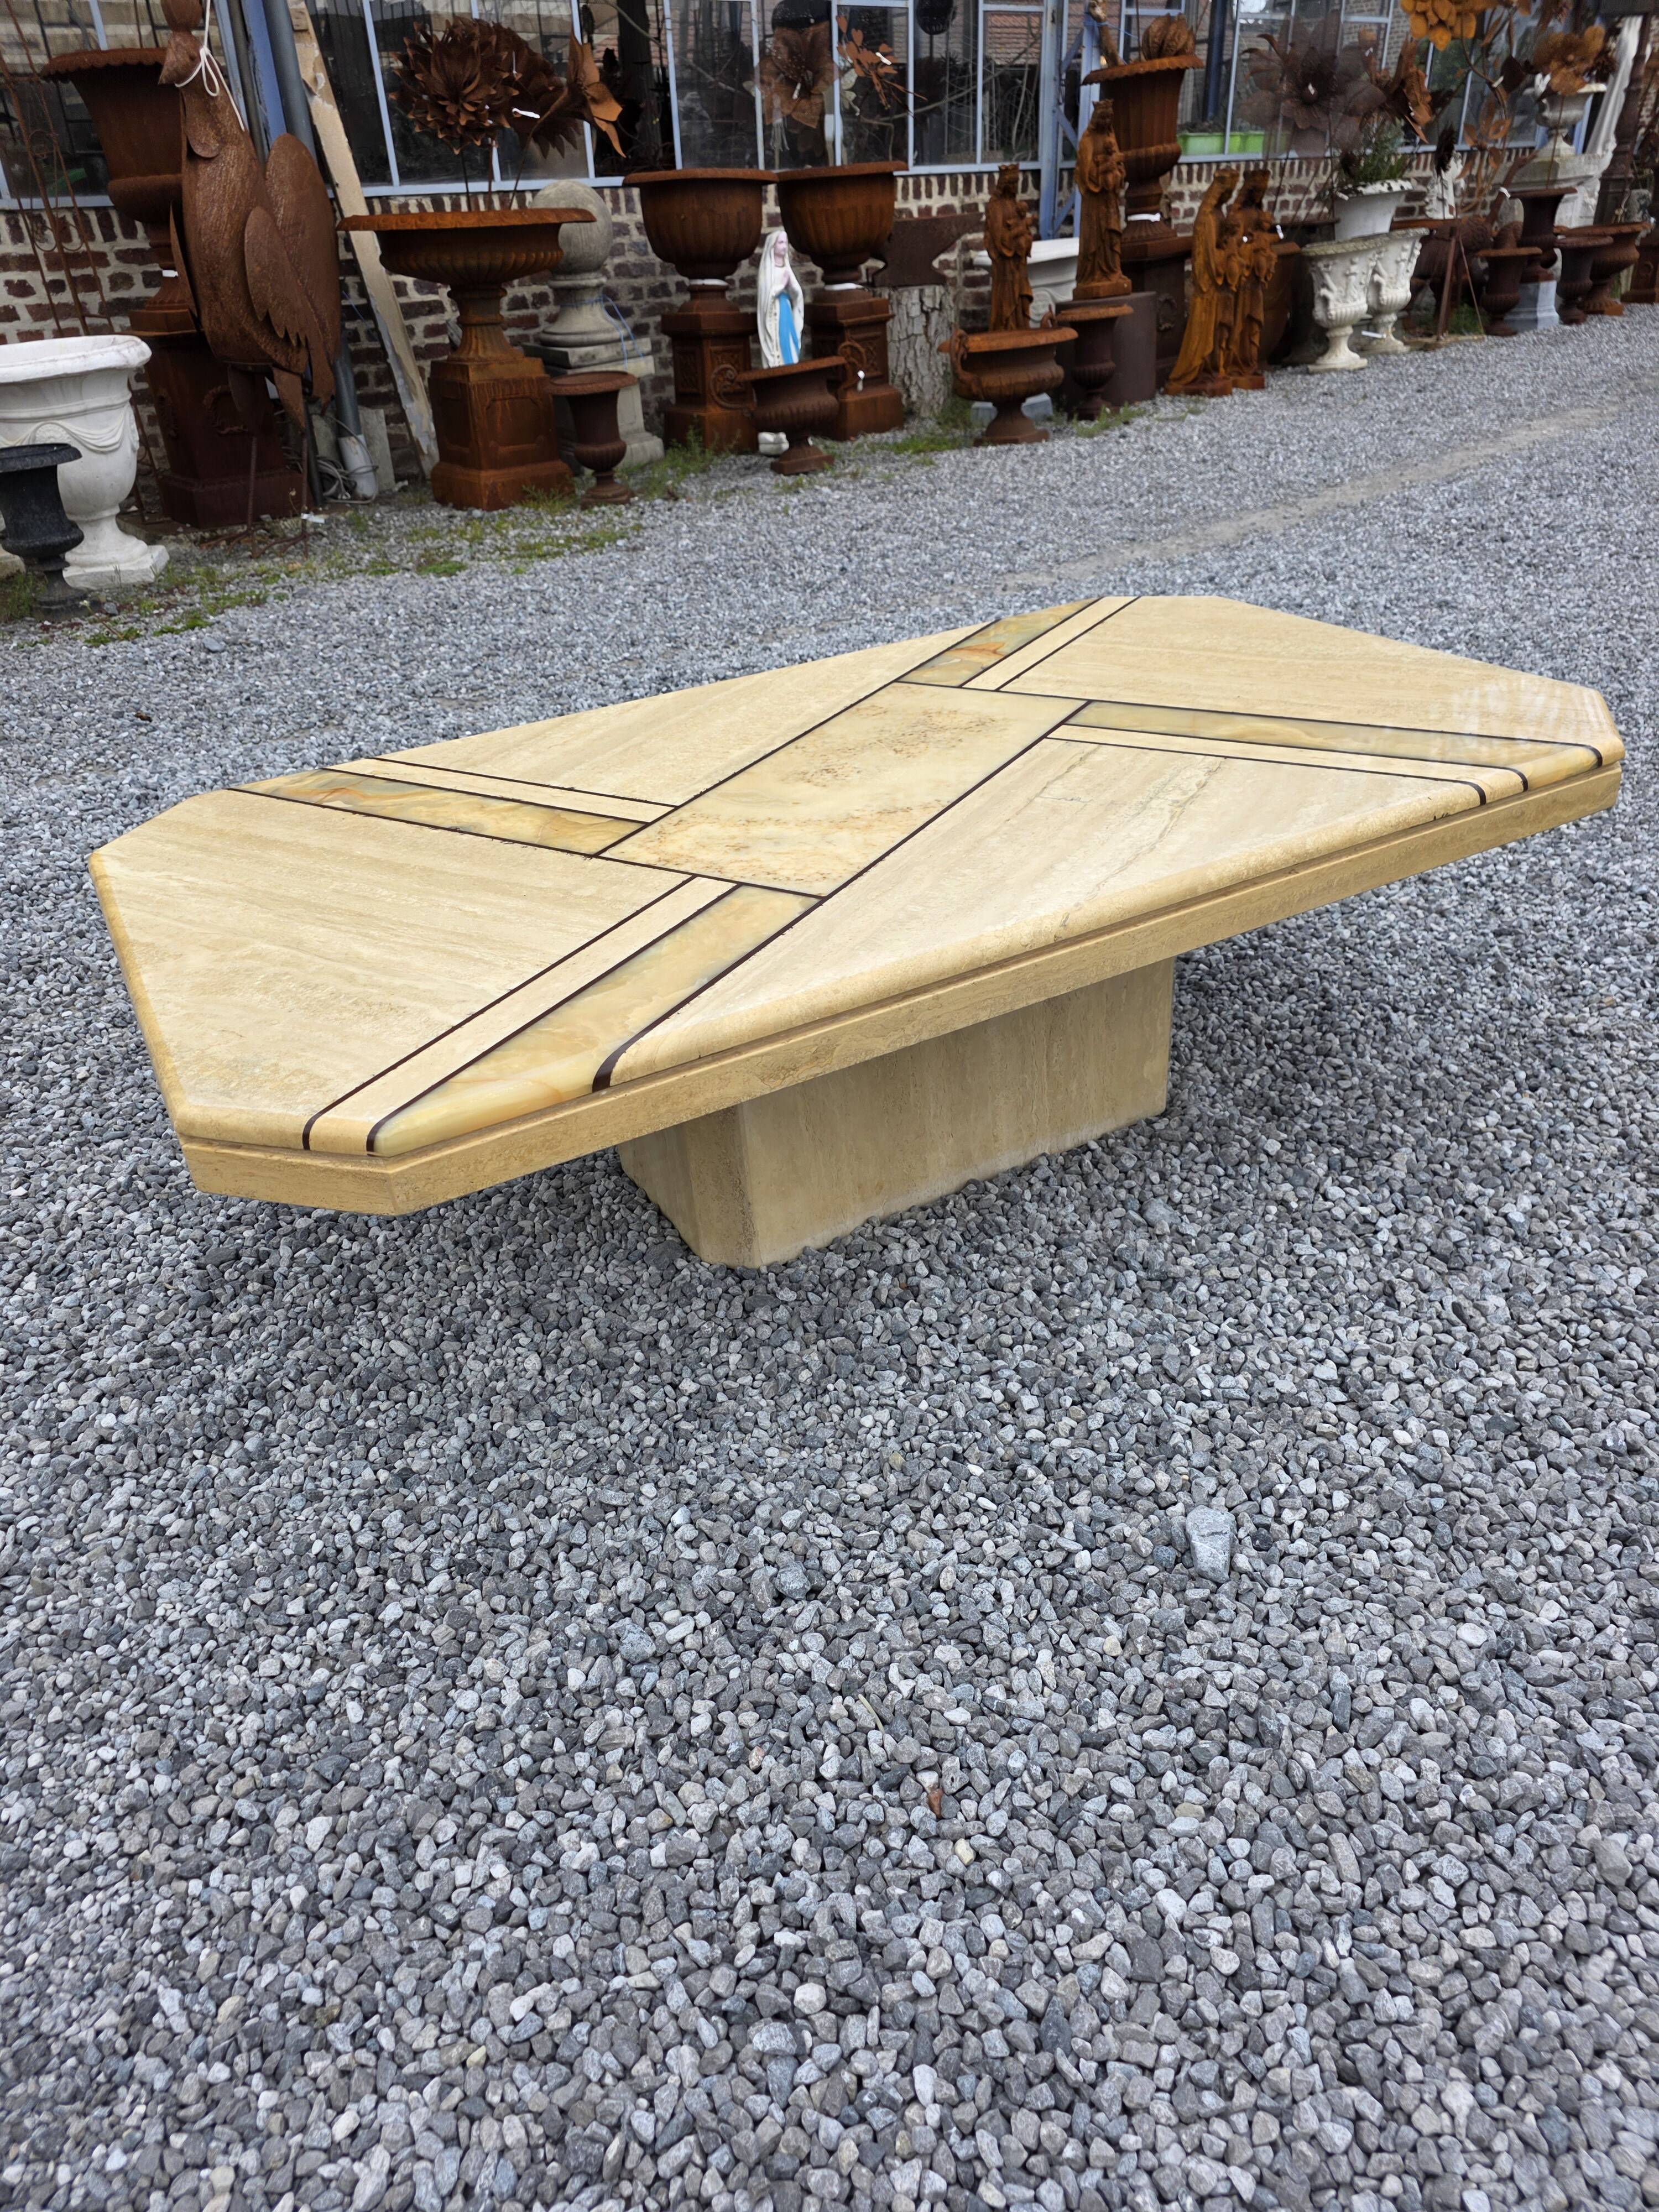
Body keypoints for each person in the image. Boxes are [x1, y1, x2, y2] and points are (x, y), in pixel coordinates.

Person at [1167, 167, 1238, 394]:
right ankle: (1192, 370)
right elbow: (1209, 255)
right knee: (1204, 330)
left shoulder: (1219, 214)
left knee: (1218, 329)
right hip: (1208, 284)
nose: (1230, 197)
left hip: (1219, 284)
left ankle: (1211, 368)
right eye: (1228, 192)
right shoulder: (1207, 217)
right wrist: (1227, 256)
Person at [1074, 101, 1130, 298]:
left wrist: (1118, 170)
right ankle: (1094, 274)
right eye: (1103, 117)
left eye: (1109, 118)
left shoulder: (1111, 139)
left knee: (1113, 234)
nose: (1106, 121)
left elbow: (1121, 167)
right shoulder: (1087, 142)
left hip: (1110, 200)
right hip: (1095, 202)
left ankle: (1114, 270)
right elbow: (1085, 173)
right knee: (1096, 238)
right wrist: (1105, 169)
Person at [985, 163, 1036, 331]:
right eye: (1012, 184)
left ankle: (1021, 328)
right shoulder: (995, 206)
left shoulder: (1016, 206)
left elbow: (1026, 231)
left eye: (1017, 183)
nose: (1015, 188)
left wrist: (1027, 239)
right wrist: (1018, 235)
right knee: (1007, 301)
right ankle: (1006, 328)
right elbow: (1000, 239)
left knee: (1020, 299)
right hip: (1005, 266)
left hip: (1019, 263)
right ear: (1005, 185)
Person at [757, 229, 804, 368]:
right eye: (781, 242)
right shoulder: (767, 272)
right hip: (774, 315)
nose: (784, 246)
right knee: (777, 342)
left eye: (786, 243)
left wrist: (793, 289)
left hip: (786, 310)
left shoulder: (787, 269)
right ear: (773, 246)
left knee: (789, 341)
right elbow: (766, 296)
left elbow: (797, 295)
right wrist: (781, 285)